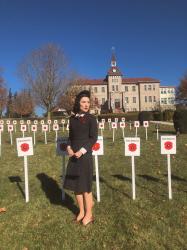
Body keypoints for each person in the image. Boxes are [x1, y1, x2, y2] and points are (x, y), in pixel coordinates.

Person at [63, 90, 98, 226]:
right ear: (78, 103)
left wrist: (81, 151)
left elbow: (93, 138)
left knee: (85, 186)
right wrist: (69, 147)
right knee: (76, 186)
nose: (86, 104)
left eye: (88, 102)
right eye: (83, 102)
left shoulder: (91, 119)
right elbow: (70, 137)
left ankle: (89, 214)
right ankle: (82, 211)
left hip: (85, 155)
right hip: (73, 156)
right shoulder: (72, 119)